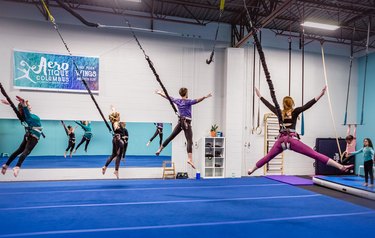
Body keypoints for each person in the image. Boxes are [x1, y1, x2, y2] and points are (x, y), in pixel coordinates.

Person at [247, 86, 354, 175]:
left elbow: (269, 105)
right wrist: (320, 95)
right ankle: (340, 166)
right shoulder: (295, 111)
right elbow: (308, 105)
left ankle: (252, 169)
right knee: (315, 154)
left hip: (280, 141)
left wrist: (260, 96)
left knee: (268, 157)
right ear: (292, 103)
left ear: (283, 104)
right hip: (292, 141)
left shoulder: (279, 112)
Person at [155, 88, 212, 169]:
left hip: (180, 122)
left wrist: (160, 93)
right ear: (186, 93)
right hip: (186, 122)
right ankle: (189, 159)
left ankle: (160, 149)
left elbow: (168, 97)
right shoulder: (188, 102)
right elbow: (197, 100)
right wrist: (205, 97)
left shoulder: (177, 101)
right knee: (189, 140)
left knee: (171, 136)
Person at [1, 96, 43, 177]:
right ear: (25, 108)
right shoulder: (28, 116)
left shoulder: (23, 116)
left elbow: (18, 110)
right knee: (26, 151)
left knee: (19, 151)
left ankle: (6, 165)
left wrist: (10, 104)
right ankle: (17, 167)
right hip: (33, 136)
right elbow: (24, 109)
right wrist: (23, 103)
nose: (30, 106)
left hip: (28, 135)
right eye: (29, 105)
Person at [102, 107, 124, 179]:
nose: (119, 117)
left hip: (114, 139)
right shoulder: (116, 123)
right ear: (117, 117)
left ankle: (105, 167)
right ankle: (116, 170)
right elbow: (115, 127)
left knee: (113, 154)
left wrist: (113, 109)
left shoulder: (114, 121)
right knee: (119, 155)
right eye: (118, 116)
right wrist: (117, 128)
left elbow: (114, 116)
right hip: (118, 139)